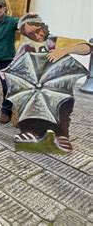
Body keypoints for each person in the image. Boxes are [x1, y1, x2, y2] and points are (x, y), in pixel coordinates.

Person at [9, 13, 91, 151]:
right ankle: (32, 132)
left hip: (56, 86)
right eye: (29, 34)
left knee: (60, 107)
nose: (37, 36)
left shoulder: (55, 41)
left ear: (42, 27)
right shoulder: (24, 46)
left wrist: (64, 50)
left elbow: (87, 47)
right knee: (28, 106)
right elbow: (15, 67)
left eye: (37, 31)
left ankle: (60, 135)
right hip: (34, 87)